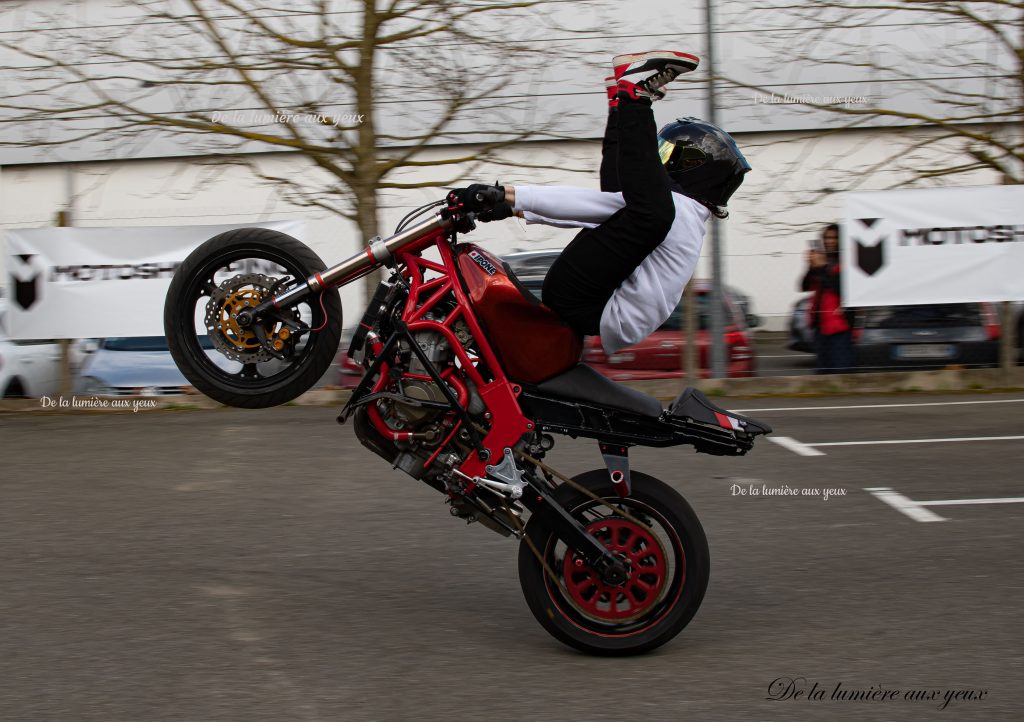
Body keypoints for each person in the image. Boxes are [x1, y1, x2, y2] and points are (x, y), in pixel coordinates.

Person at [448, 50, 751, 355]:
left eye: (666, 152)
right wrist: (510, 206)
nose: (657, 160)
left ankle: (635, 97)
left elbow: (586, 205)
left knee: (648, 208)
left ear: (693, 165)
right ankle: (623, 105)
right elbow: (600, 204)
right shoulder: (681, 213)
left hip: (593, 306)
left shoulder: (675, 212)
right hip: (599, 307)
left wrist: (508, 196)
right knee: (630, 197)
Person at [801, 223, 854, 373]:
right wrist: (810, 267)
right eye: (827, 238)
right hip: (820, 325)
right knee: (822, 371)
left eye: (834, 238)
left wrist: (822, 267)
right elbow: (804, 286)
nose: (830, 241)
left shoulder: (845, 261)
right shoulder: (822, 260)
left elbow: (838, 288)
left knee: (840, 371)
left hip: (839, 325)